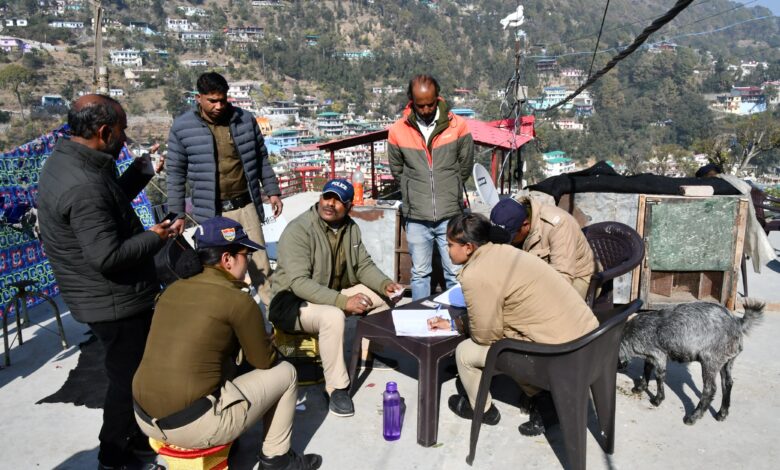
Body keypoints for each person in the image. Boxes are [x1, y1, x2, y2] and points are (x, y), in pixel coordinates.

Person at [37, 94, 175, 470]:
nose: (125, 138)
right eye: (121, 131)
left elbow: (108, 202)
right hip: (112, 300)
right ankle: (113, 456)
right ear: (103, 131)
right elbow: (107, 256)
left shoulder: (74, 161)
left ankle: (136, 438)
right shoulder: (83, 184)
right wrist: (156, 236)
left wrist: (142, 170)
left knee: (133, 373)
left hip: (103, 295)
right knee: (127, 380)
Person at [132, 217, 321, 470]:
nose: (248, 261)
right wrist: (265, 341)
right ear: (227, 259)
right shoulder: (237, 300)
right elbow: (264, 361)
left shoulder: (172, 290)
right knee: (286, 373)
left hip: (144, 419)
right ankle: (278, 460)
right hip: (190, 426)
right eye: (246, 255)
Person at [435, 213, 598, 435]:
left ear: (469, 247)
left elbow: (485, 336)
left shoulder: (475, 274)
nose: (447, 250)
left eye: (450, 244)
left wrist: (461, 324)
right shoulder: (506, 251)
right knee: (511, 333)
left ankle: (483, 410)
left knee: (465, 352)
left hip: (561, 352)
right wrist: (464, 321)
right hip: (589, 338)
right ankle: (543, 399)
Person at [269, 179, 404, 417]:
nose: (330, 204)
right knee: (332, 316)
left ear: (349, 206)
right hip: (291, 303)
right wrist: (343, 302)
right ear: (320, 198)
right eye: (327, 197)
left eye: (338, 200)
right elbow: (299, 283)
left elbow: (363, 265)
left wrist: (386, 284)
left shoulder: (351, 228)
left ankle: (365, 354)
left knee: (385, 297)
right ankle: (336, 388)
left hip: (326, 294)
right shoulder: (299, 229)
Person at [167, 72, 282, 306]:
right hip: (212, 212)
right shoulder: (182, 128)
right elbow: (175, 172)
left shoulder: (244, 120)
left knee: (261, 266)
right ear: (198, 98)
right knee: (219, 271)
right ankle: (232, 318)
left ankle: (277, 320)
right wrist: (177, 214)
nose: (219, 106)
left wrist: (272, 191)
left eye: (222, 100)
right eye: (212, 101)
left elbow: (260, 158)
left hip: (245, 205)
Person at [388, 74, 474, 300]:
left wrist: (450, 187)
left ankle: (456, 315)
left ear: (438, 98)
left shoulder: (458, 126)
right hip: (417, 216)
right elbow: (397, 170)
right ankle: (421, 317)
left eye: (430, 104)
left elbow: (465, 165)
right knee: (419, 274)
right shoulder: (398, 130)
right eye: (420, 105)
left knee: (454, 272)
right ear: (411, 101)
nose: (426, 110)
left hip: (449, 213)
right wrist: (413, 191)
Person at [490, 196, 595, 299]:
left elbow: (563, 277)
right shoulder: (509, 215)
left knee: (540, 306)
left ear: (525, 225)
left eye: (511, 239)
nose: (507, 244)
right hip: (535, 275)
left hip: (577, 276)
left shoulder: (559, 225)